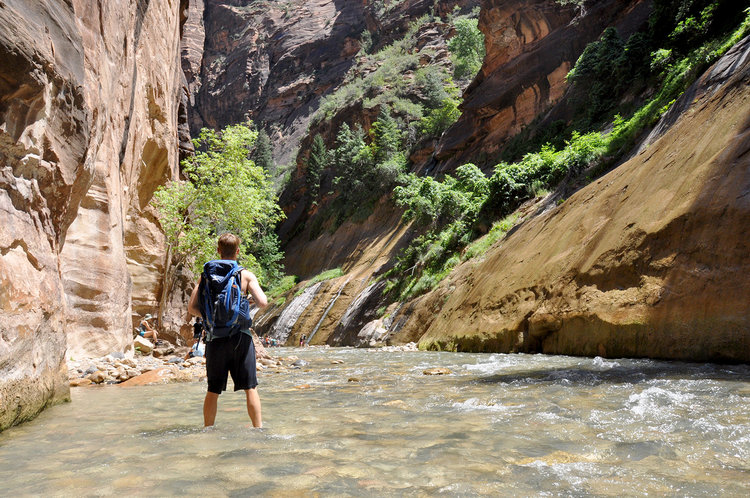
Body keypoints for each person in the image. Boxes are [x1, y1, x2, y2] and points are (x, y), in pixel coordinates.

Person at [188, 233, 268, 428]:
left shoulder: (205, 275)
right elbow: (263, 302)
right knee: (250, 388)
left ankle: (208, 431)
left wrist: (210, 317)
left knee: (213, 390)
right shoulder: (245, 275)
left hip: (215, 338)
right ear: (238, 251)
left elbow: (191, 308)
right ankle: (258, 430)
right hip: (241, 338)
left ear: (218, 250)